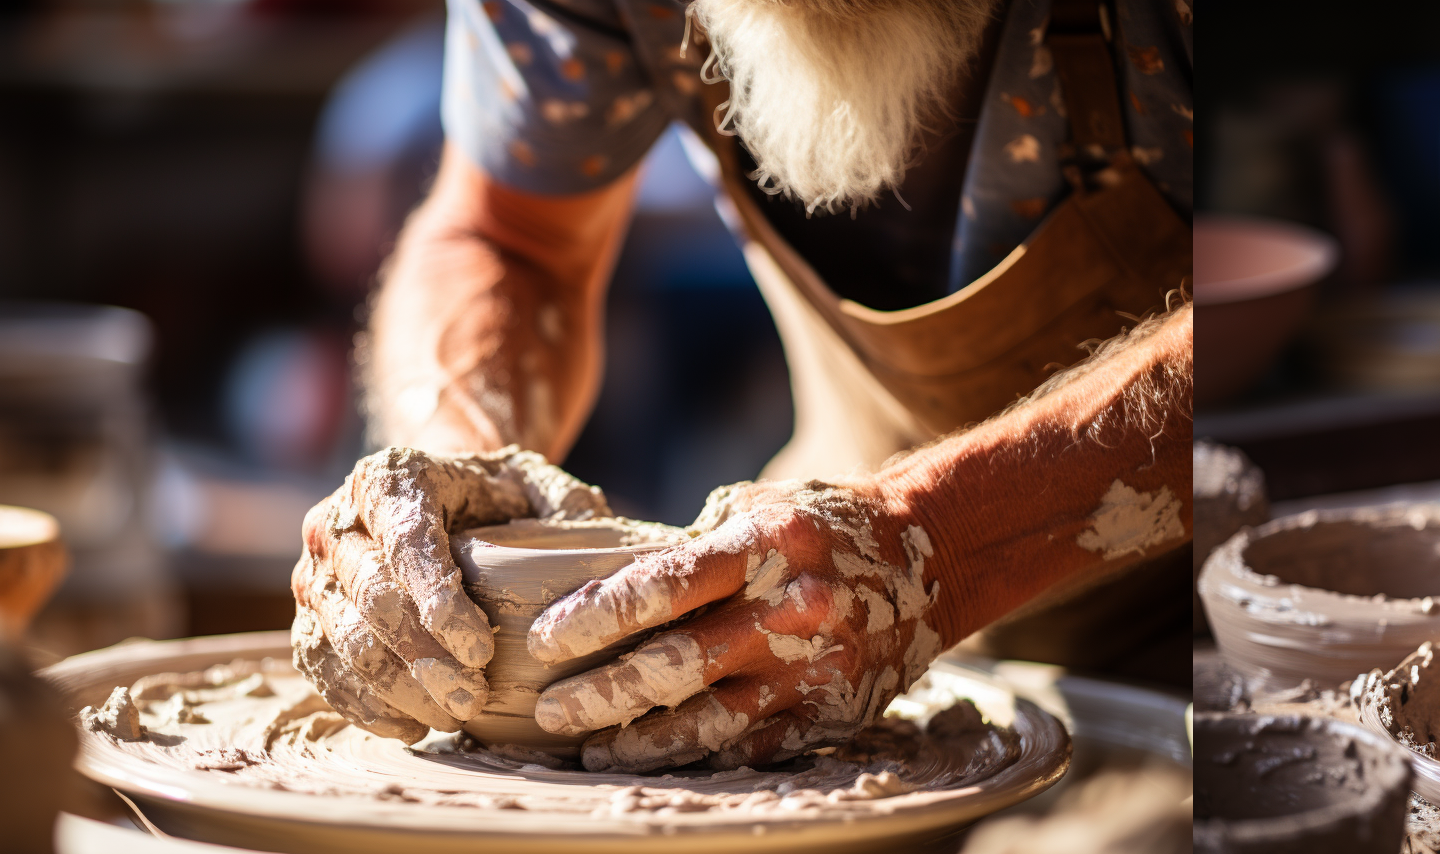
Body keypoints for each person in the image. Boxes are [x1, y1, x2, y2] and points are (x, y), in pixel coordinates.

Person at [290, 0, 1192, 772]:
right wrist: (456, 472)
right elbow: (507, 236)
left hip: (1208, 606)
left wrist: (937, 547)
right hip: (813, 614)